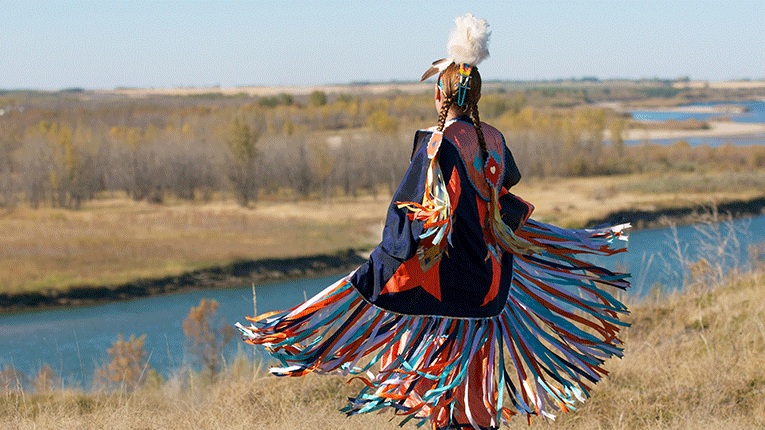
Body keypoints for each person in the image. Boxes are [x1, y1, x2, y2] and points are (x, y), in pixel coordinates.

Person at [238, 14, 629, 430]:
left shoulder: (437, 146)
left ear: (441, 95)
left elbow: (408, 217)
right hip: (489, 284)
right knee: (472, 377)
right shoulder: (492, 139)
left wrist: (378, 268)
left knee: (437, 378)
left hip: (446, 285)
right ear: (474, 94)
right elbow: (504, 197)